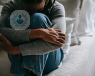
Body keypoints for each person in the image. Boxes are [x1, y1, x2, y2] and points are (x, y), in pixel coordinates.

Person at [0, 0, 66, 76]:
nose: (34, 12)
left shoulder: (56, 7)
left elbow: (59, 41)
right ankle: (21, 73)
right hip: (21, 57)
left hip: (50, 58)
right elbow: (1, 32)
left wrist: (15, 50)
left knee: (38, 18)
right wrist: (39, 33)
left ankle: (34, 74)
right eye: (29, 10)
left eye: (40, 9)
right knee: (12, 19)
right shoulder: (12, 5)